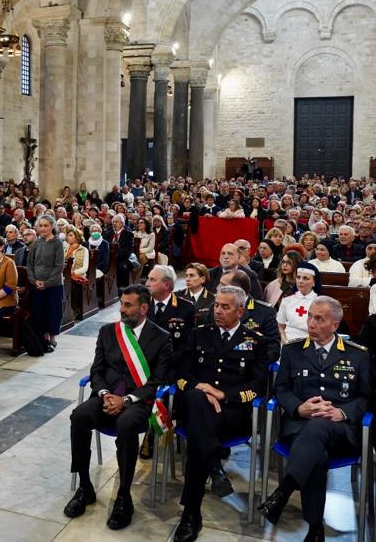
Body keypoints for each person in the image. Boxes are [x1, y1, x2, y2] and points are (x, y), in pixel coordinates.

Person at [259, 297, 371, 542]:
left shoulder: (357, 355)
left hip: (341, 431)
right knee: (316, 455)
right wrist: (299, 408)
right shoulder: (292, 350)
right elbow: (281, 389)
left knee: (320, 424)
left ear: (335, 325)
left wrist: (342, 413)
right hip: (299, 427)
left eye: (319, 319)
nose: (310, 323)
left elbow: (365, 397)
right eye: (309, 316)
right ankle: (315, 526)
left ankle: (283, 491)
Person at [63, 285, 171, 530]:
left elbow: (157, 381)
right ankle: (85, 487)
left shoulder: (161, 338)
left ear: (143, 308)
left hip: (138, 402)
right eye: (121, 303)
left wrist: (127, 400)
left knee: (126, 423)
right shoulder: (108, 332)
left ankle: (124, 496)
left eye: (128, 305)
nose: (122, 309)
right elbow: (96, 370)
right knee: (78, 416)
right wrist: (103, 394)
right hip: (106, 396)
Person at [172, 286, 271, 542]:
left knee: (198, 437)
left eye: (225, 307)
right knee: (195, 398)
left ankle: (192, 512)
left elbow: (259, 384)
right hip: (197, 408)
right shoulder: (199, 334)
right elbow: (181, 373)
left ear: (240, 311)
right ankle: (210, 475)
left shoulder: (255, 340)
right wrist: (202, 390)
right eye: (216, 305)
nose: (217, 310)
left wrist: (224, 395)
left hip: (232, 413)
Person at [27, 214, 66, 352]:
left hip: (53, 285)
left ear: (52, 226)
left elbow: (59, 266)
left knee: (53, 311)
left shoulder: (57, 243)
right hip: (37, 284)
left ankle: (52, 339)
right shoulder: (36, 243)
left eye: (46, 226)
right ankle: (43, 338)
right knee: (39, 312)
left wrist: (47, 282)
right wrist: (34, 280)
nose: (43, 228)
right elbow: (30, 264)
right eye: (41, 225)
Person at [277, 263, 321, 344]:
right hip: (287, 342)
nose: (300, 281)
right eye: (298, 277)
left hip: (310, 343)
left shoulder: (320, 303)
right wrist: (284, 341)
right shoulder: (287, 300)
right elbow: (280, 326)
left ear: (314, 282)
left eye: (305, 278)